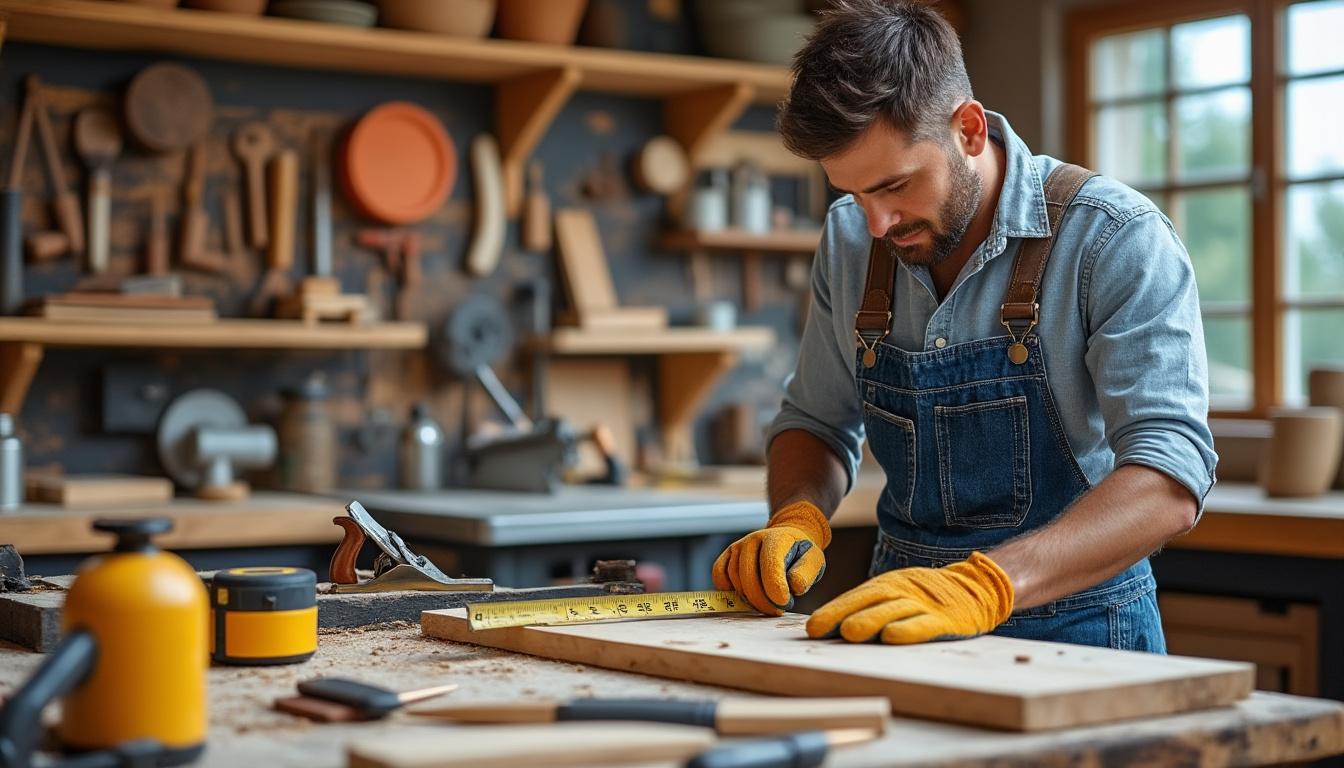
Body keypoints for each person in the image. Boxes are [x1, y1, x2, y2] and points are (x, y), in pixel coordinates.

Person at [711, 0, 1217, 651]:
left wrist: (986, 585)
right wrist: (796, 514)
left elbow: (1169, 475)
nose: (875, 224)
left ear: (970, 130)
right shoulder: (850, 238)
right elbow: (816, 421)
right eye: (853, 193)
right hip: (899, 625)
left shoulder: (1114, 237)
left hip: (1080, 632)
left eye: (894, 185)